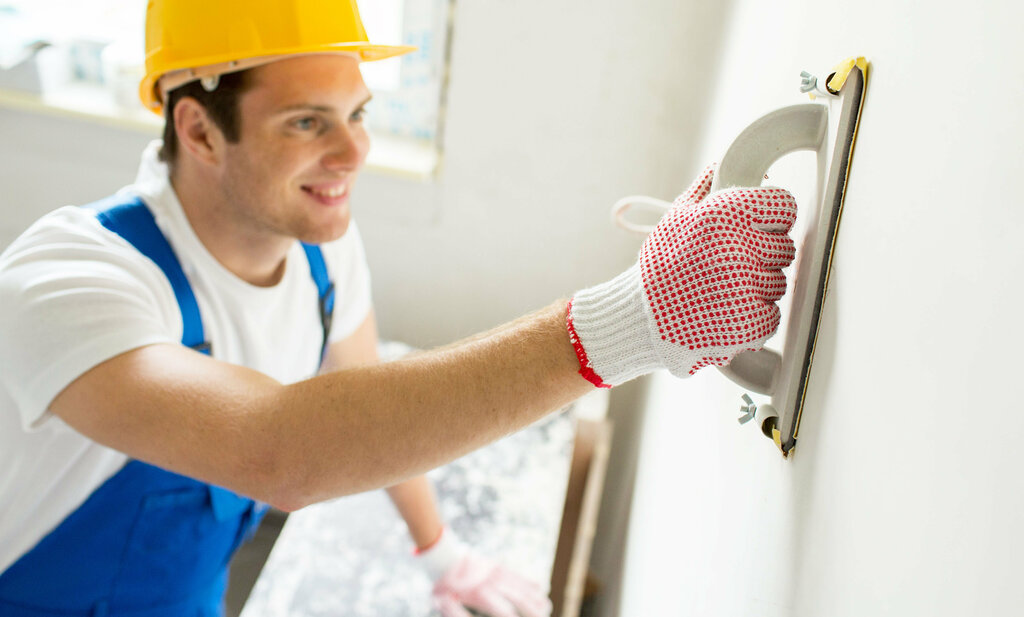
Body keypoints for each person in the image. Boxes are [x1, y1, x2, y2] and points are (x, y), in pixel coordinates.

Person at [0, 0, 798, 615]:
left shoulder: (318, 248)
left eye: (358, 113)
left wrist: (439, 551)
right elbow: (279, 453)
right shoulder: (71, 280)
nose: (356, 154)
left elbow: (364, 383)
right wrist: (632, 319)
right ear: (200, 131)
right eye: (307, 121)